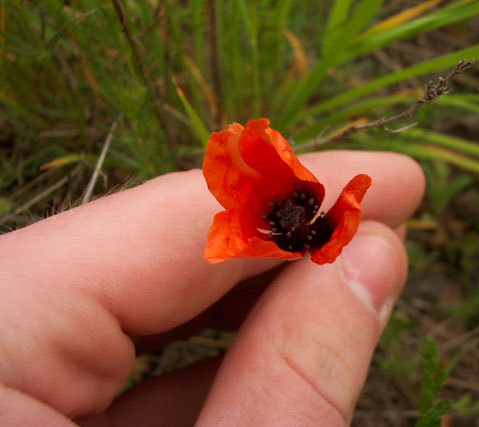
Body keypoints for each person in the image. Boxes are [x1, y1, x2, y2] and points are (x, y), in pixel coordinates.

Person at [0, 150, 425, 426]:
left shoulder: (326, 223)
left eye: (298, 212)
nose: (294, 217)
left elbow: (346, 198)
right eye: (289, 214)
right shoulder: (250, 232)